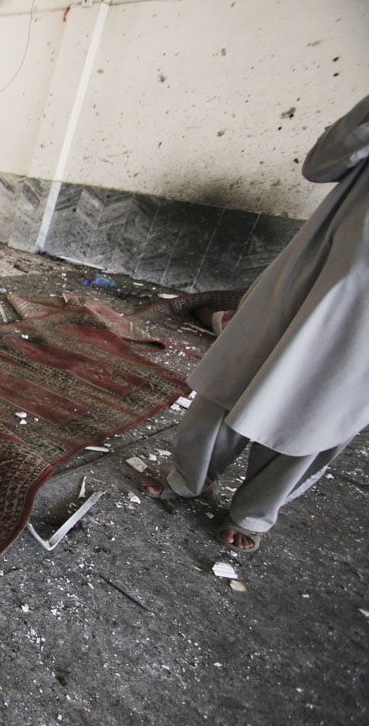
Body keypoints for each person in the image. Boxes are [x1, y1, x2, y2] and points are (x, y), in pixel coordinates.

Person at [142, 93, 369, 553]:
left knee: (324, 406)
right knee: (240, 367)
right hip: (322, 264)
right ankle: (189, 477)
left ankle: (254, 512)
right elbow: (320, 166)